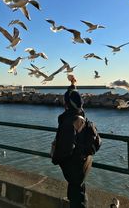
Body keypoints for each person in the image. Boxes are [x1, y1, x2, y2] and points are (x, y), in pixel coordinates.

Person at [52, 74, 92, 208]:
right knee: (79, 192)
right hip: (84, 164)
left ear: (67, 103)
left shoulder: (68, 121)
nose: (63, 102)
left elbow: (65, 148)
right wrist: (73, 84)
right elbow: (75, 97)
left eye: (65, 101)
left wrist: (55, 158)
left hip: (74, 166)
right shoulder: (81, 114)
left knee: (76, 198)